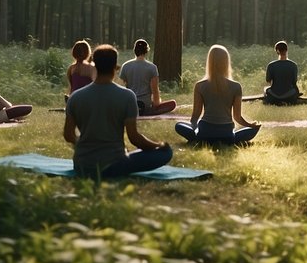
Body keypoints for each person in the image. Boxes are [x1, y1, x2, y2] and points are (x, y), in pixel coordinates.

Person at [64, 44, 174, 178]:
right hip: (112, 165)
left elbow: (68, 135)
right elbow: (134, 138)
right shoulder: (127, 96)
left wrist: (84, 146)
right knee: (166, 152)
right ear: (114, 67)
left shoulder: (75, 97)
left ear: (95, 65)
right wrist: (159, 145)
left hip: (82, 164)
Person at [175, 44, 261, 144]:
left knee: (179, 125)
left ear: (209, 62)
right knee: (251, 130)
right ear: (226, 62)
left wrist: (193, 130)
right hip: (227, 133)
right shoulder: (236, 86)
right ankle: (231, 139)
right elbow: (237, 117)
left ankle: (198, 138)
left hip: (204, 132)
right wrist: (251, 125)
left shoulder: (200, 85)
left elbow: (195, 116)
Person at [119, 38, 177, 115]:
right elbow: (155, 90)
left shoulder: (125, 66)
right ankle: (145, 111)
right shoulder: (152, 67)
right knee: (173, 103)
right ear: (147, 51)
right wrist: (156, 104)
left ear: (134, 50)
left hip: (130, 103)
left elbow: (122, 87)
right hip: (145, 104)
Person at [263, 40, 301, 104]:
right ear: (286, 50)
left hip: (274, 95)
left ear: (277, 51)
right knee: (295, 90)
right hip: (289, 95)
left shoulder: (271, 65)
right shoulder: (293, 65)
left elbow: (268, 80)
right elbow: (294, 81)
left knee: (265, 89)